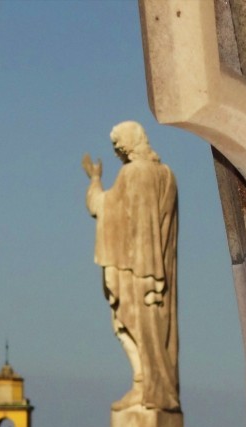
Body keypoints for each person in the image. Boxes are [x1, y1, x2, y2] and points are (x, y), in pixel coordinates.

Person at [83, 121, 180, 411]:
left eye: (117, 149)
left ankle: (144, 385)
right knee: (154, 330)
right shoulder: (167, 175)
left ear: (125, 146)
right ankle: (156, 387)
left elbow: (102, 207)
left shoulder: (131, 174)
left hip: (132, 268)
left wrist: (95, 180)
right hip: (158, 270)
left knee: (127, 322)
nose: (117, 156)